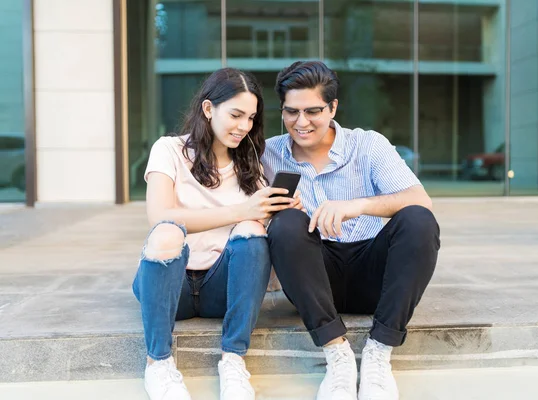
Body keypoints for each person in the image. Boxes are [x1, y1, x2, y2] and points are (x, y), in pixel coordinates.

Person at [262, 61, 440, 400]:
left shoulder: (368, 145)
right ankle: (337, 355)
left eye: (313, 111)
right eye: (291, 112)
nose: (301, 122)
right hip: (314, 278)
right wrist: (276, 214)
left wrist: (356, 205)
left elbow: (420, 199)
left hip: (372, 269)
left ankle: (379, 353)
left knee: (418, 219)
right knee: (285, 224)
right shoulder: (266, 154)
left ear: (333, 107)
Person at [132, 68, 298, 400]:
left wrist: (282, 212)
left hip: (221, 288)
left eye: (251, 118)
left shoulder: (253, 165)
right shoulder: (169, 150)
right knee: (167, 233)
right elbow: (160, 216)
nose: (244, 126)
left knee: (252, 229)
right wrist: (242, 211)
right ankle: (158, 364)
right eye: (236, 115)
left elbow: (255, 234)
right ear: (208, 109)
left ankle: (233, 360)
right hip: (172, 286)